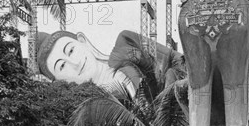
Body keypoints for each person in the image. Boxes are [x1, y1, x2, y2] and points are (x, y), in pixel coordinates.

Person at [36, 29, 181, 96]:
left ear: (82, 40)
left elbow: (177, 60)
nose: (74, 63)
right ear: (58, 82)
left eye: (71, 51)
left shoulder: (127, 43)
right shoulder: (91, 110)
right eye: (62, 66)